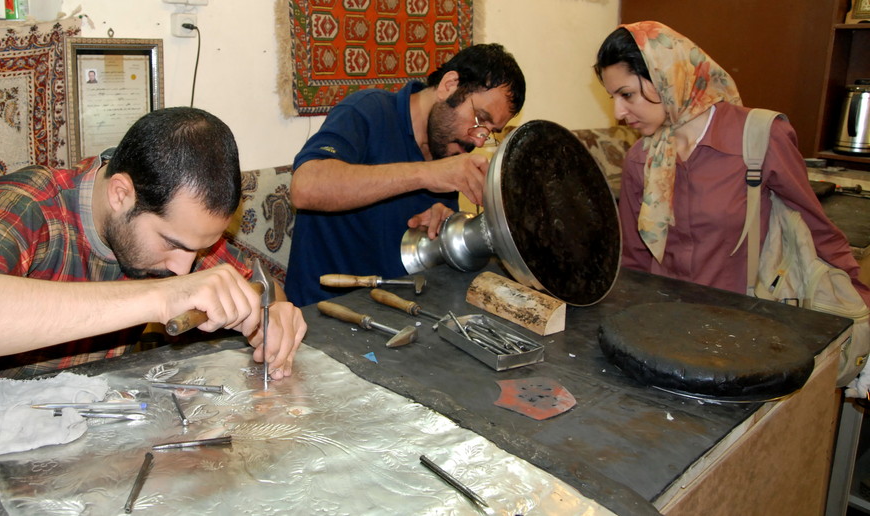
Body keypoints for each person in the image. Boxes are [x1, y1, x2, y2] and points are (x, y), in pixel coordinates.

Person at [0, 107, 307, 512]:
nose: (183, 267)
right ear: (121, 194)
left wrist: (276, 310)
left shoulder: (174, 234)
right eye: (172, 245)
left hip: (47, 463)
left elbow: (261, 287)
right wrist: (159, 299)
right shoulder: (29, 204)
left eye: (199, 250)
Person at [593, 21, 870, 307]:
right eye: (612, 97)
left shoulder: (761, 138)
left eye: (627, 95)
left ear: (668, 77)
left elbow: (817, 229)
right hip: (666, 322)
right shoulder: (641, 159)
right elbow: (633, 259)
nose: (619, 112)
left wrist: (857, 305)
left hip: (747, 321)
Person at [285, 43, 526, 306]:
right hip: (326, 310)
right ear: (449, 85)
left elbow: (416, 247)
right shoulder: (367, 110)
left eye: (490, 132)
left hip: (401, 307)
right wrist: (426, 174)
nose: (479, 140)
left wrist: (441, 227)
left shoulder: (448, 146)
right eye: (479, 119)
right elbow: (305, 188)